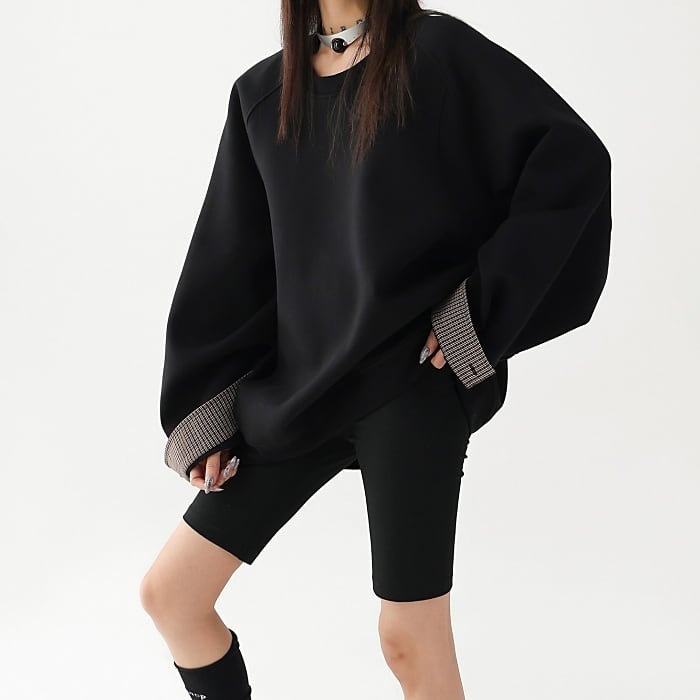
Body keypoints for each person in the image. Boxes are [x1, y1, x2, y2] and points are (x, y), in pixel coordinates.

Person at [139, 3, 612, 699]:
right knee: (171, 596)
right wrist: (209, 410)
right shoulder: (262, 94)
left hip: (408, 382)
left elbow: (570, 162)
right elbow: (233, 263)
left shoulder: (437, 53)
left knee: (408, 639)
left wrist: (477, 314)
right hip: (301, 390)